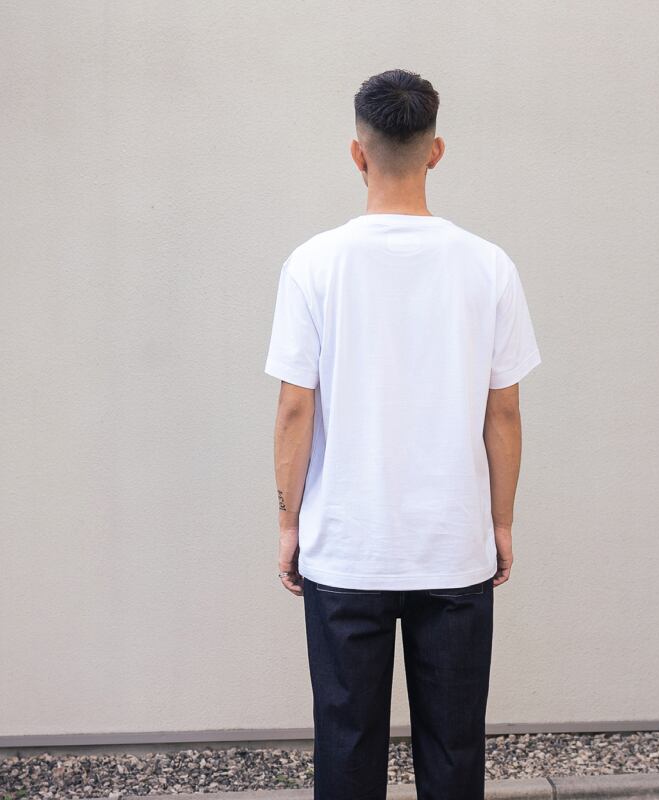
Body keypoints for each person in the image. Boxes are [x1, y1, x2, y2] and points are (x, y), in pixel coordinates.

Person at [263, 68, 541, 800]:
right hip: (452, 546)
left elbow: (294, 409)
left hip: (346, 547)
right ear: (436, 151)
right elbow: (504, 413)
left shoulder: (313, 264)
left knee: (346, 743)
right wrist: (501, 523)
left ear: (357, 153)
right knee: (453, 748)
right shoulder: (489, 266)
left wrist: (289, 524)